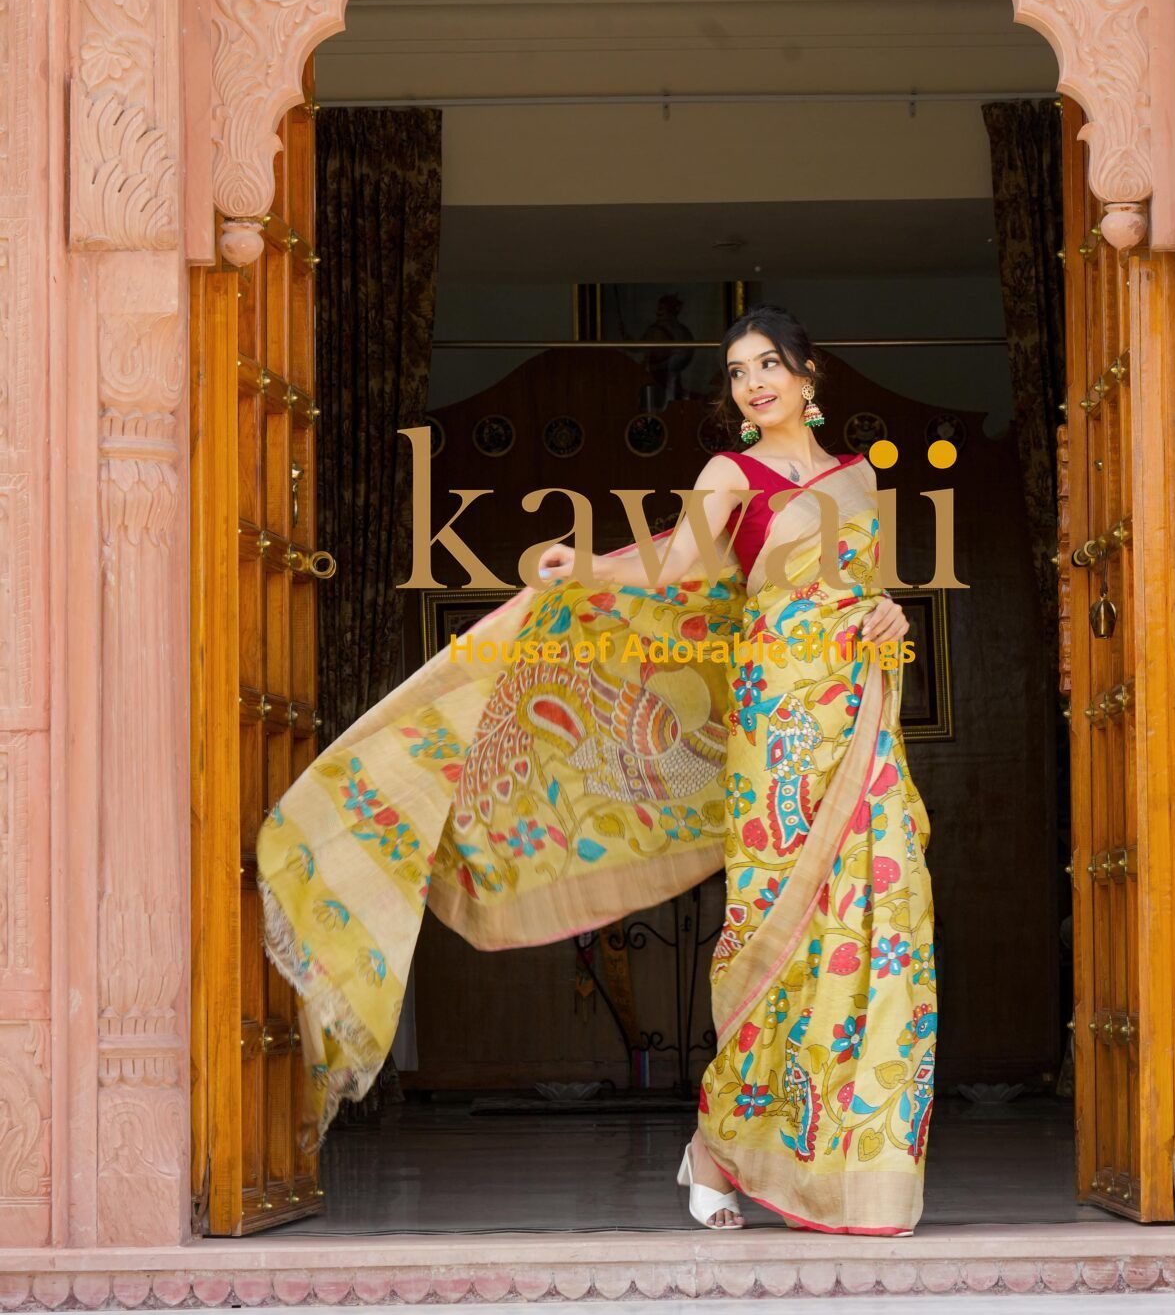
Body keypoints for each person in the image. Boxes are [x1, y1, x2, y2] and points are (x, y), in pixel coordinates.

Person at [257, 305, 936, 1235]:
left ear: (810, 375)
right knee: (771, 931)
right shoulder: (726, 473)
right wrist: (581, 567)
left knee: (882, 917)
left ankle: (858, 1168)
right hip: (776, 722)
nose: (754, 383)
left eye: (770, 364)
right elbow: (675, 569)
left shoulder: (859, 478)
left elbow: (865, 592)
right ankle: (721, 1148)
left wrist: (893, 617)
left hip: (860, 716)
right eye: (738, 372)